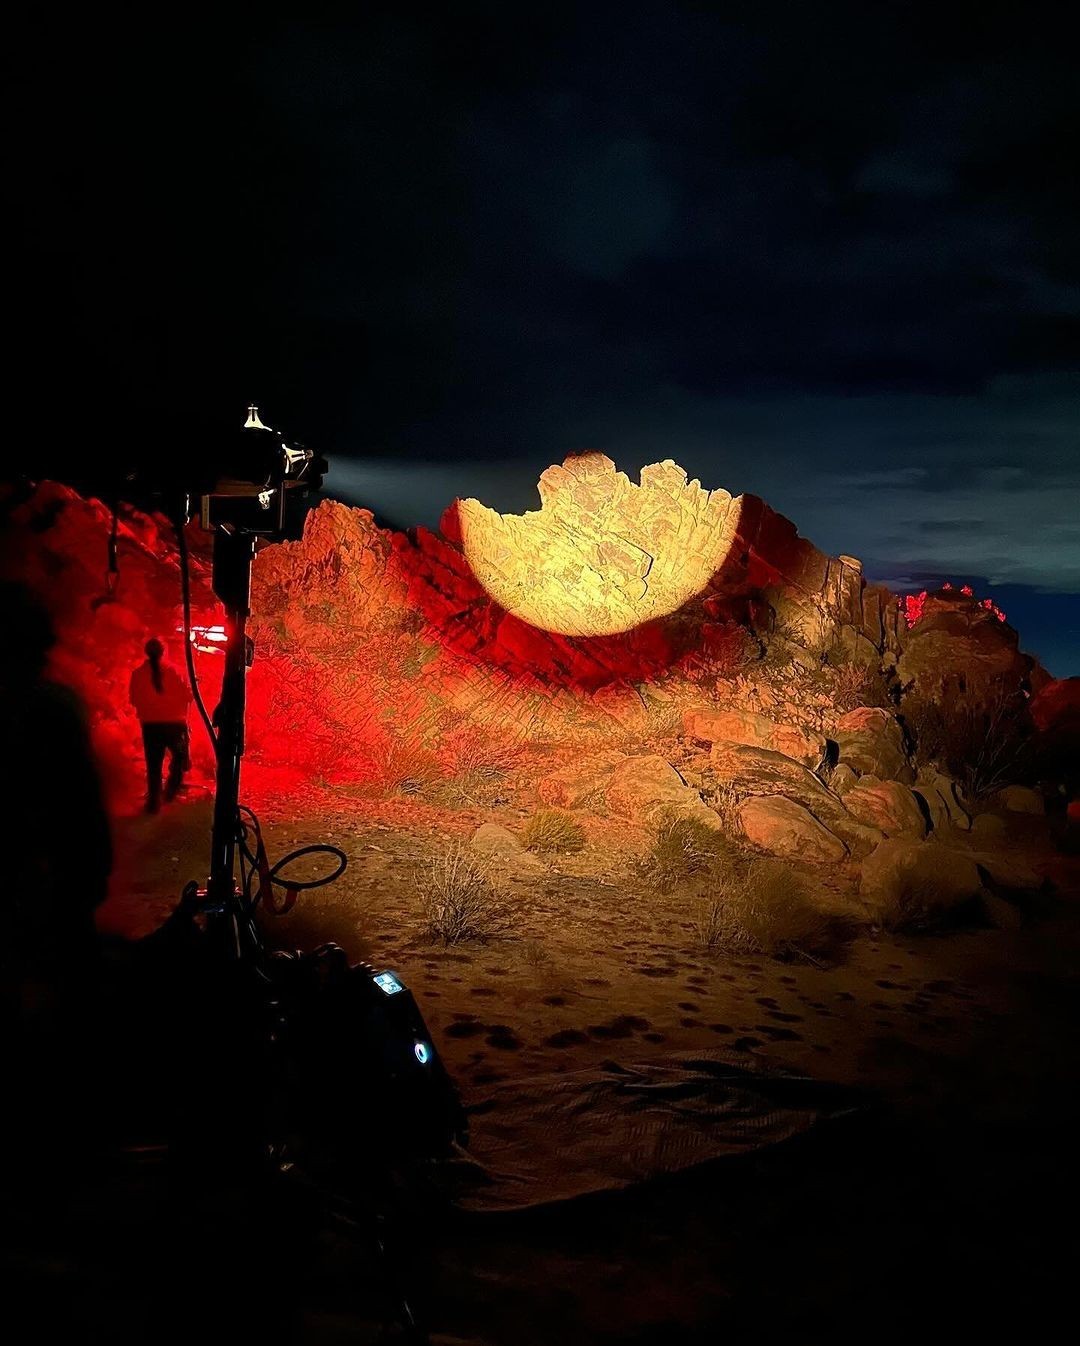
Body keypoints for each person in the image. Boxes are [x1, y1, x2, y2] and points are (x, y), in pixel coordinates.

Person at [129, 637, 192, 812]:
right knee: (179, 759)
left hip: (150, 725)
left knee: (154, 764)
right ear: (164, 651)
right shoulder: (176, 672)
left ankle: (154, 803)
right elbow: (188, 695)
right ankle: (170, 792)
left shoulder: (137, 674)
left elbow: (134, 700)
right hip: (175, 724)